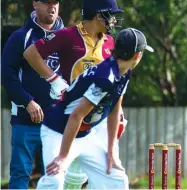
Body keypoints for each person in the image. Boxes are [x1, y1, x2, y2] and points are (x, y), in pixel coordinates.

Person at [34, 28, 154, 189]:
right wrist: (63, 156)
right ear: (137, 55)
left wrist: (111, 151)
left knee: (117, 180)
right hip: (57, 132)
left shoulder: (124, 73)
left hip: (84, 135)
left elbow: (114, 109)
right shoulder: (106, 77)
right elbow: (76, 115)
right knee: (54, 181)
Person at [23, 0, 125, 188]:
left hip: (99, 118)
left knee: (108, 175)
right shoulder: (68, 35)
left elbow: (116, 79)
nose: (114, 21)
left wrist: (117, 110)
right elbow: (31, 53)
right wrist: (53, 78)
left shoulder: (110, 41)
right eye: (111, 15)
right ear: (99, 15)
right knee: (63, 176)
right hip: (71, 115)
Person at [1, 0, 64, 188]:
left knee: (54, 178)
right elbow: (7, 75)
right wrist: (27, 102)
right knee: (20, 175)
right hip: (25, 120)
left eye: (56, 3)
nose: (52, 7)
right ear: (35, 3)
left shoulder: (70, 38)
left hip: (56, 123)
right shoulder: (20, 37)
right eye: (47, 2)